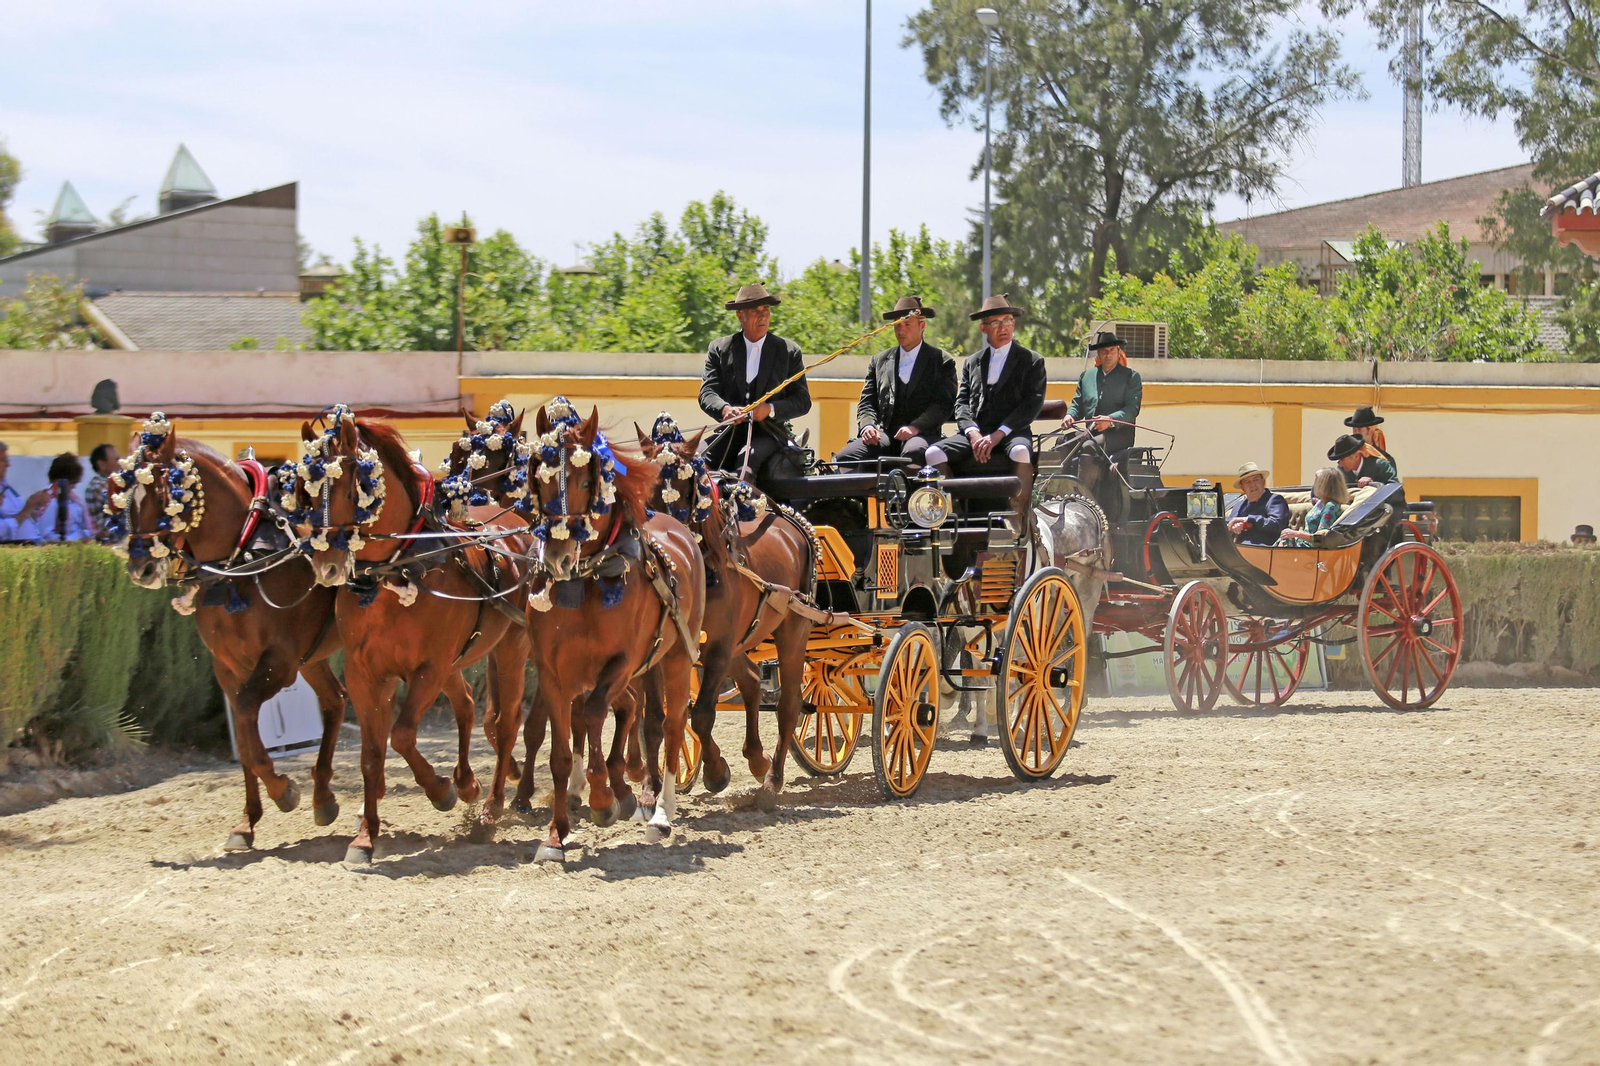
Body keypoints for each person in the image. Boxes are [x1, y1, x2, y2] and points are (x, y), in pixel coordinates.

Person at [924, 293, 1048, 516]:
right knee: (933, 454)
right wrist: (973, 433)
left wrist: (999, 434)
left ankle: (1017, 516)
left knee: (1021, 451)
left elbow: (1031, 404)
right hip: (977, 432)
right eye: (995, 323)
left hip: (1012, 432)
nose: (1003, 328)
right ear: (983, 328)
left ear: (1013, 324)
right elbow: (962, 403)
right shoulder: (972, 362)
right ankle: (955, 512)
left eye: (1007, 321)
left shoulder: (1031, 361)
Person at [699, 282, 811, 484]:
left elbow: (802, 400)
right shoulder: (720, 349)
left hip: (768, 435)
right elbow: (707, 392)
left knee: (745, 464)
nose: (763, 316)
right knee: (691, 461)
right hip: (728, 433)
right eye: (755, 310)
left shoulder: (788, 351)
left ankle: (744, 503)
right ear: (739, 316)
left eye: (766, 309)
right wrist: (725, 409)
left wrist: (770, 409)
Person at [834, 295, 957, 468]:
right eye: (897, 325)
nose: (901, 330)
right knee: (846, 457)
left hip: (923, 434)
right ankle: (867, 487)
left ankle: (910, 487)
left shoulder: (941, 360)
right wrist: (867, 427)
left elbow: (943, 404)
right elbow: (867, 402)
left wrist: (915, 427)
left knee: (912, 454)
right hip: (886, 435)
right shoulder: (879, 361)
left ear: (922, 325)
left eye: (907, 324)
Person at [1062, 330, 1143, 460]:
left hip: (1119, 435)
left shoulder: (1130, 376)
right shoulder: (1086, 377)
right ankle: (1062, 474)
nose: (1108, 354)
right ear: (1098, 353)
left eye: (1112, 350)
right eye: (1104, 351)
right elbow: (1077, 405)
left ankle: (1087, 474)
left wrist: (1110, 420)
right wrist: (1070, 415)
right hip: (1090, 432)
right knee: (1062, 442)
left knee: (1089, 447)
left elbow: (1132, 409)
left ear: (1118, 351)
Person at [1278, 467, 1351, 545]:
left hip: (1311, 547)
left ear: (1325, 484)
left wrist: (1296, 534)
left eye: (1317, 480)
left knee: (1285, 540)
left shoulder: (1331, 507)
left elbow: (1321, 538)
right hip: (1302, 543)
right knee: (1284, 538)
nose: (1314, 484)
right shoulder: (1320, 502)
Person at [0, 440, 50, 544]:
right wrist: (27, 509)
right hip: (15, 548)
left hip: (32, 544)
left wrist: (34, 507)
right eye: (3, 460)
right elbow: (2, 531)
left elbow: (23, 519)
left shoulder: (7, 487)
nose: (8, 465)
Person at [1227, 461, 1289, 545]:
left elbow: (1276, 525)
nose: (1252, 485)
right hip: (1237, 549)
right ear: (1242, 488)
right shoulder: (1239, 505)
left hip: (1264, 548)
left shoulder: (1275, 500)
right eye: (1247, 482)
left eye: (1256, 480)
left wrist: (1248, 519)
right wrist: (1232, 527)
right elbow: (1227, 525)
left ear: (1263, 482)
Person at [37, 453, 94, 543]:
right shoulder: (49, 501)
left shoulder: (75, 500)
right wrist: (76, 542)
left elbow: (84, 528)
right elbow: (46, 536)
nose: (74, 486)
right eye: (73, 482)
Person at [1345, 405, 1398, 478]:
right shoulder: (1345, 458)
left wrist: (1372, 482)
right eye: (1354, 429)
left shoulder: (1385, 459)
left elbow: (1391, 483)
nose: (1356, 433)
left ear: (1371, 431)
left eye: (1360, 429)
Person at [84, 442, 121, 543]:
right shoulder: (100, 485)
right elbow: (122, 510)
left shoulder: (111, 483)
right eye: (116, 459)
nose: (121, 463)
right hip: (109, 543)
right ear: (102, 465)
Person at [1329, 433, 1396, 488]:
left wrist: (1373, 484)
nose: (1340, 464)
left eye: (1342, 459)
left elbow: (1395, 491)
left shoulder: (1380, 466)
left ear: (1356, 456)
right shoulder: (1341, 471)